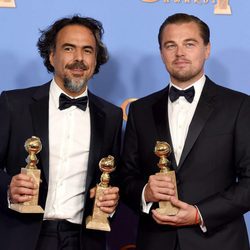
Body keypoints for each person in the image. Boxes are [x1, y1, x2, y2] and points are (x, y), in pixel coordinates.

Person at [120, 13, 250, 250]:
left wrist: (200, 214)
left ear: (207, 49)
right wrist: (145, 192)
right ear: (161, 53)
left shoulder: (239, 106)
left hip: (219, 241)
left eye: (189, 44)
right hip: (155, 241)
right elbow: (126, 177)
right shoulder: (140, 110)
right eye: (171, 45)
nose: (180, 53)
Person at [0, 15, 122, 250]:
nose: (79, 59)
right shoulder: (14, 104)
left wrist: (111, 200)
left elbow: (113, 179)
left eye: (87, 51)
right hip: (22, 237)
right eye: (69, 48)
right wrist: (8, 188)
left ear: (96, 60)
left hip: (83, 240)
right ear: (52, 55)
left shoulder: (111, 116)